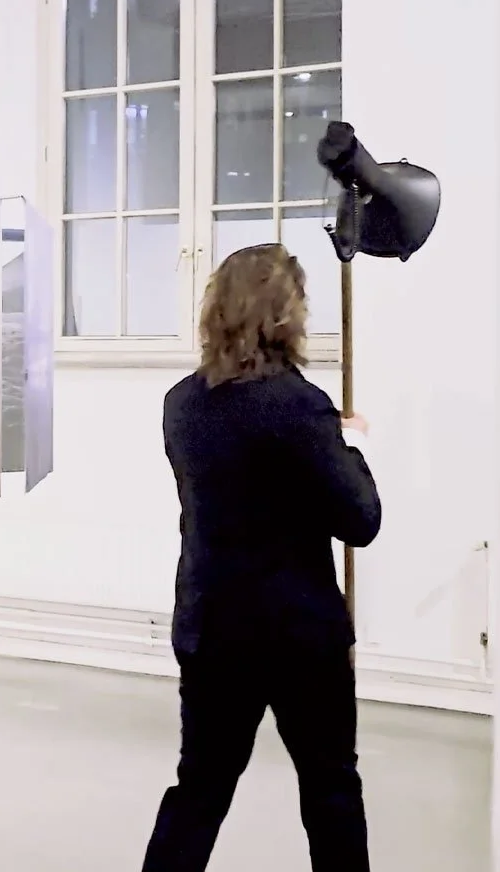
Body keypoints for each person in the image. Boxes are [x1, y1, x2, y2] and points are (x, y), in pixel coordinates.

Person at [141, 243, 383, 872]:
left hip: (211, 625)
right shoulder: (299, 406)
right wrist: (349, 444)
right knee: (330, 787)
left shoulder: (181, 404)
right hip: (297, 634)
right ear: (286, 314)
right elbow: (360, 521)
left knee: (199, 789)